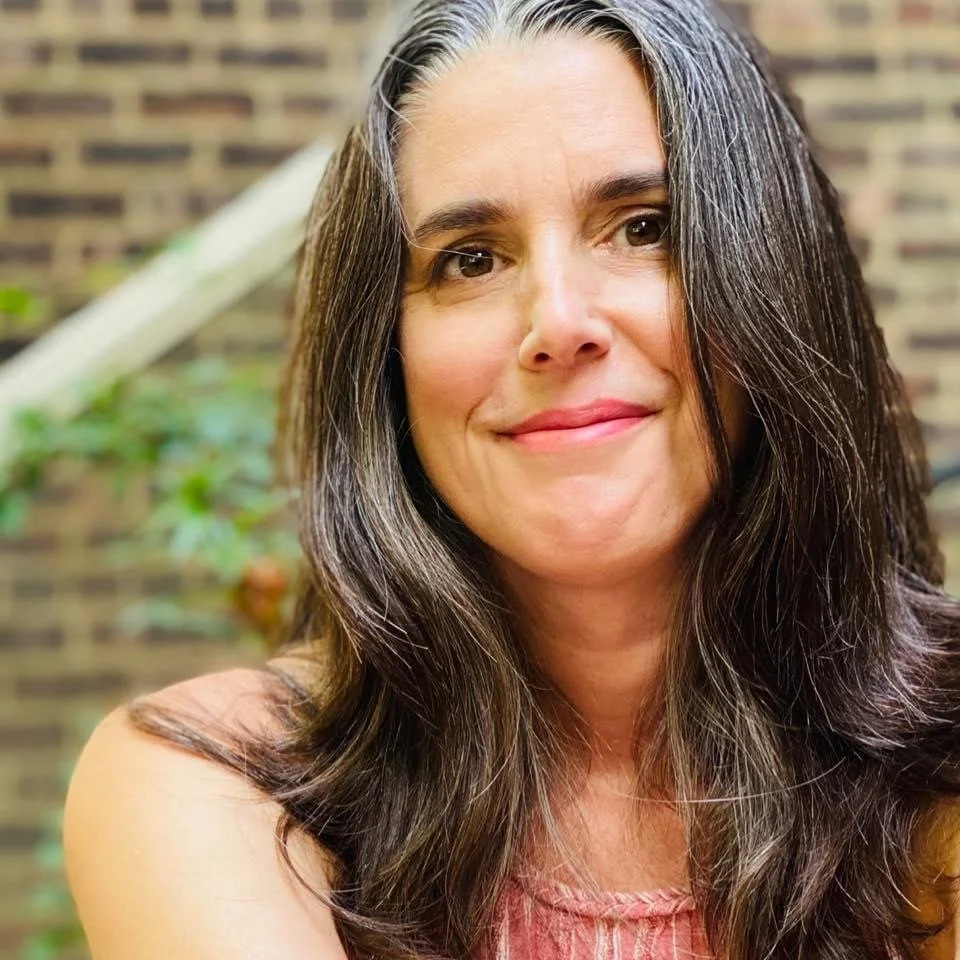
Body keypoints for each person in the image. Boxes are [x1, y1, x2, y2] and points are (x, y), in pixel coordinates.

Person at [62, 0, 960, 958]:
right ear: (384, 361)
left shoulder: (933, 766)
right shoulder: (224, 786)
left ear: (776, 276)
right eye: (472, 259)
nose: (559, 322)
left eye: (645, 228)